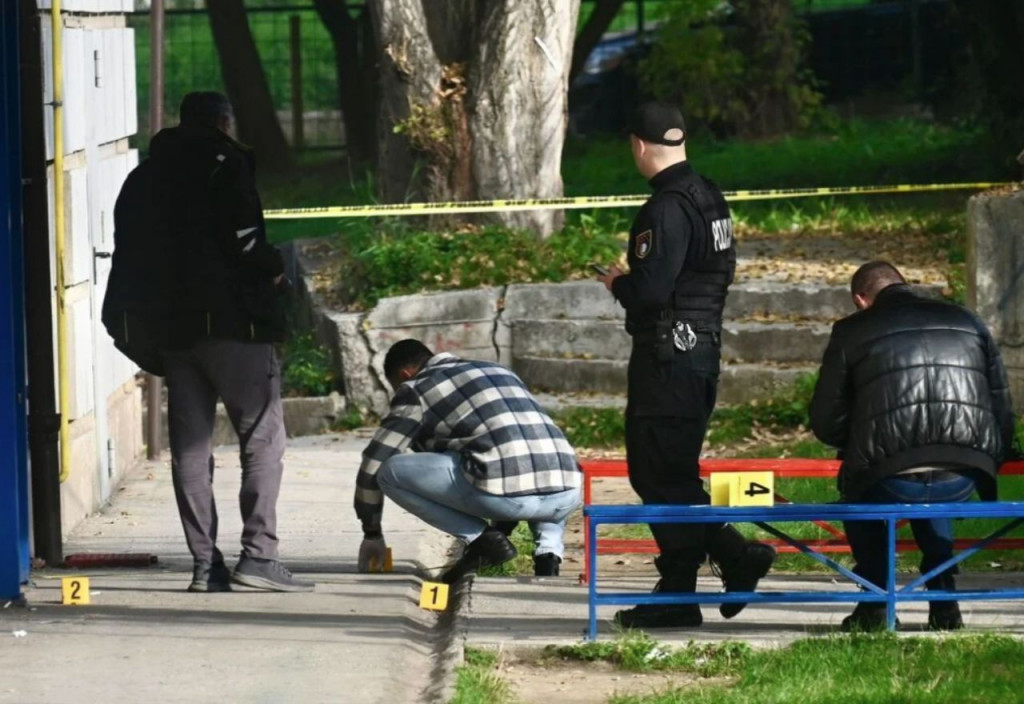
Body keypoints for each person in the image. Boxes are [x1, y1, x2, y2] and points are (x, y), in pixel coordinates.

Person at [111, 91, 311, 593]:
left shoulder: (143, 177)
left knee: (191, 450)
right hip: (234, 325)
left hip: (174, 331)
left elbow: (129, 253)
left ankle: (205, 566)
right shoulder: (227, 165)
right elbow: (244, 239)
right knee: (262, 439)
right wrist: (273, 271)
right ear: (225, 122)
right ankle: (259, 558)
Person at [594, 101, 775, 629]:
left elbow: (650, 291)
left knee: (657, 473)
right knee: (672, 473)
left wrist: (617, 283)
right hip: (699, 351)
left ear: (638, 146)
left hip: (667, 358)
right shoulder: (709, 197)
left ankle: (696, 583)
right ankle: (702, 575)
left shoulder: (664, 207)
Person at [810, 261, 1015, 631]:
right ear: (905, 283)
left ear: (860, 299)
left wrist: (862, 438)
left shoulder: (851, 330)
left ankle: (875, 604)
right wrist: (992, 453)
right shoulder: (966, 320)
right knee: (934, 480)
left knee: (865, 489)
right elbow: (999, 400)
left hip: (890, 476)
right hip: (964, 470)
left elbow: (825, 420)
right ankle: (944, 601)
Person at [354, 340, 582, 583]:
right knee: (544, 463)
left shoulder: (415, 388)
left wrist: (372, 534)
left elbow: (374, 461)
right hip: (568, 492)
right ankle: (548, 557)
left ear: (405, 374)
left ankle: (482, 541)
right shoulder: (499, 370)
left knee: (389, 472)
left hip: (507, 497)